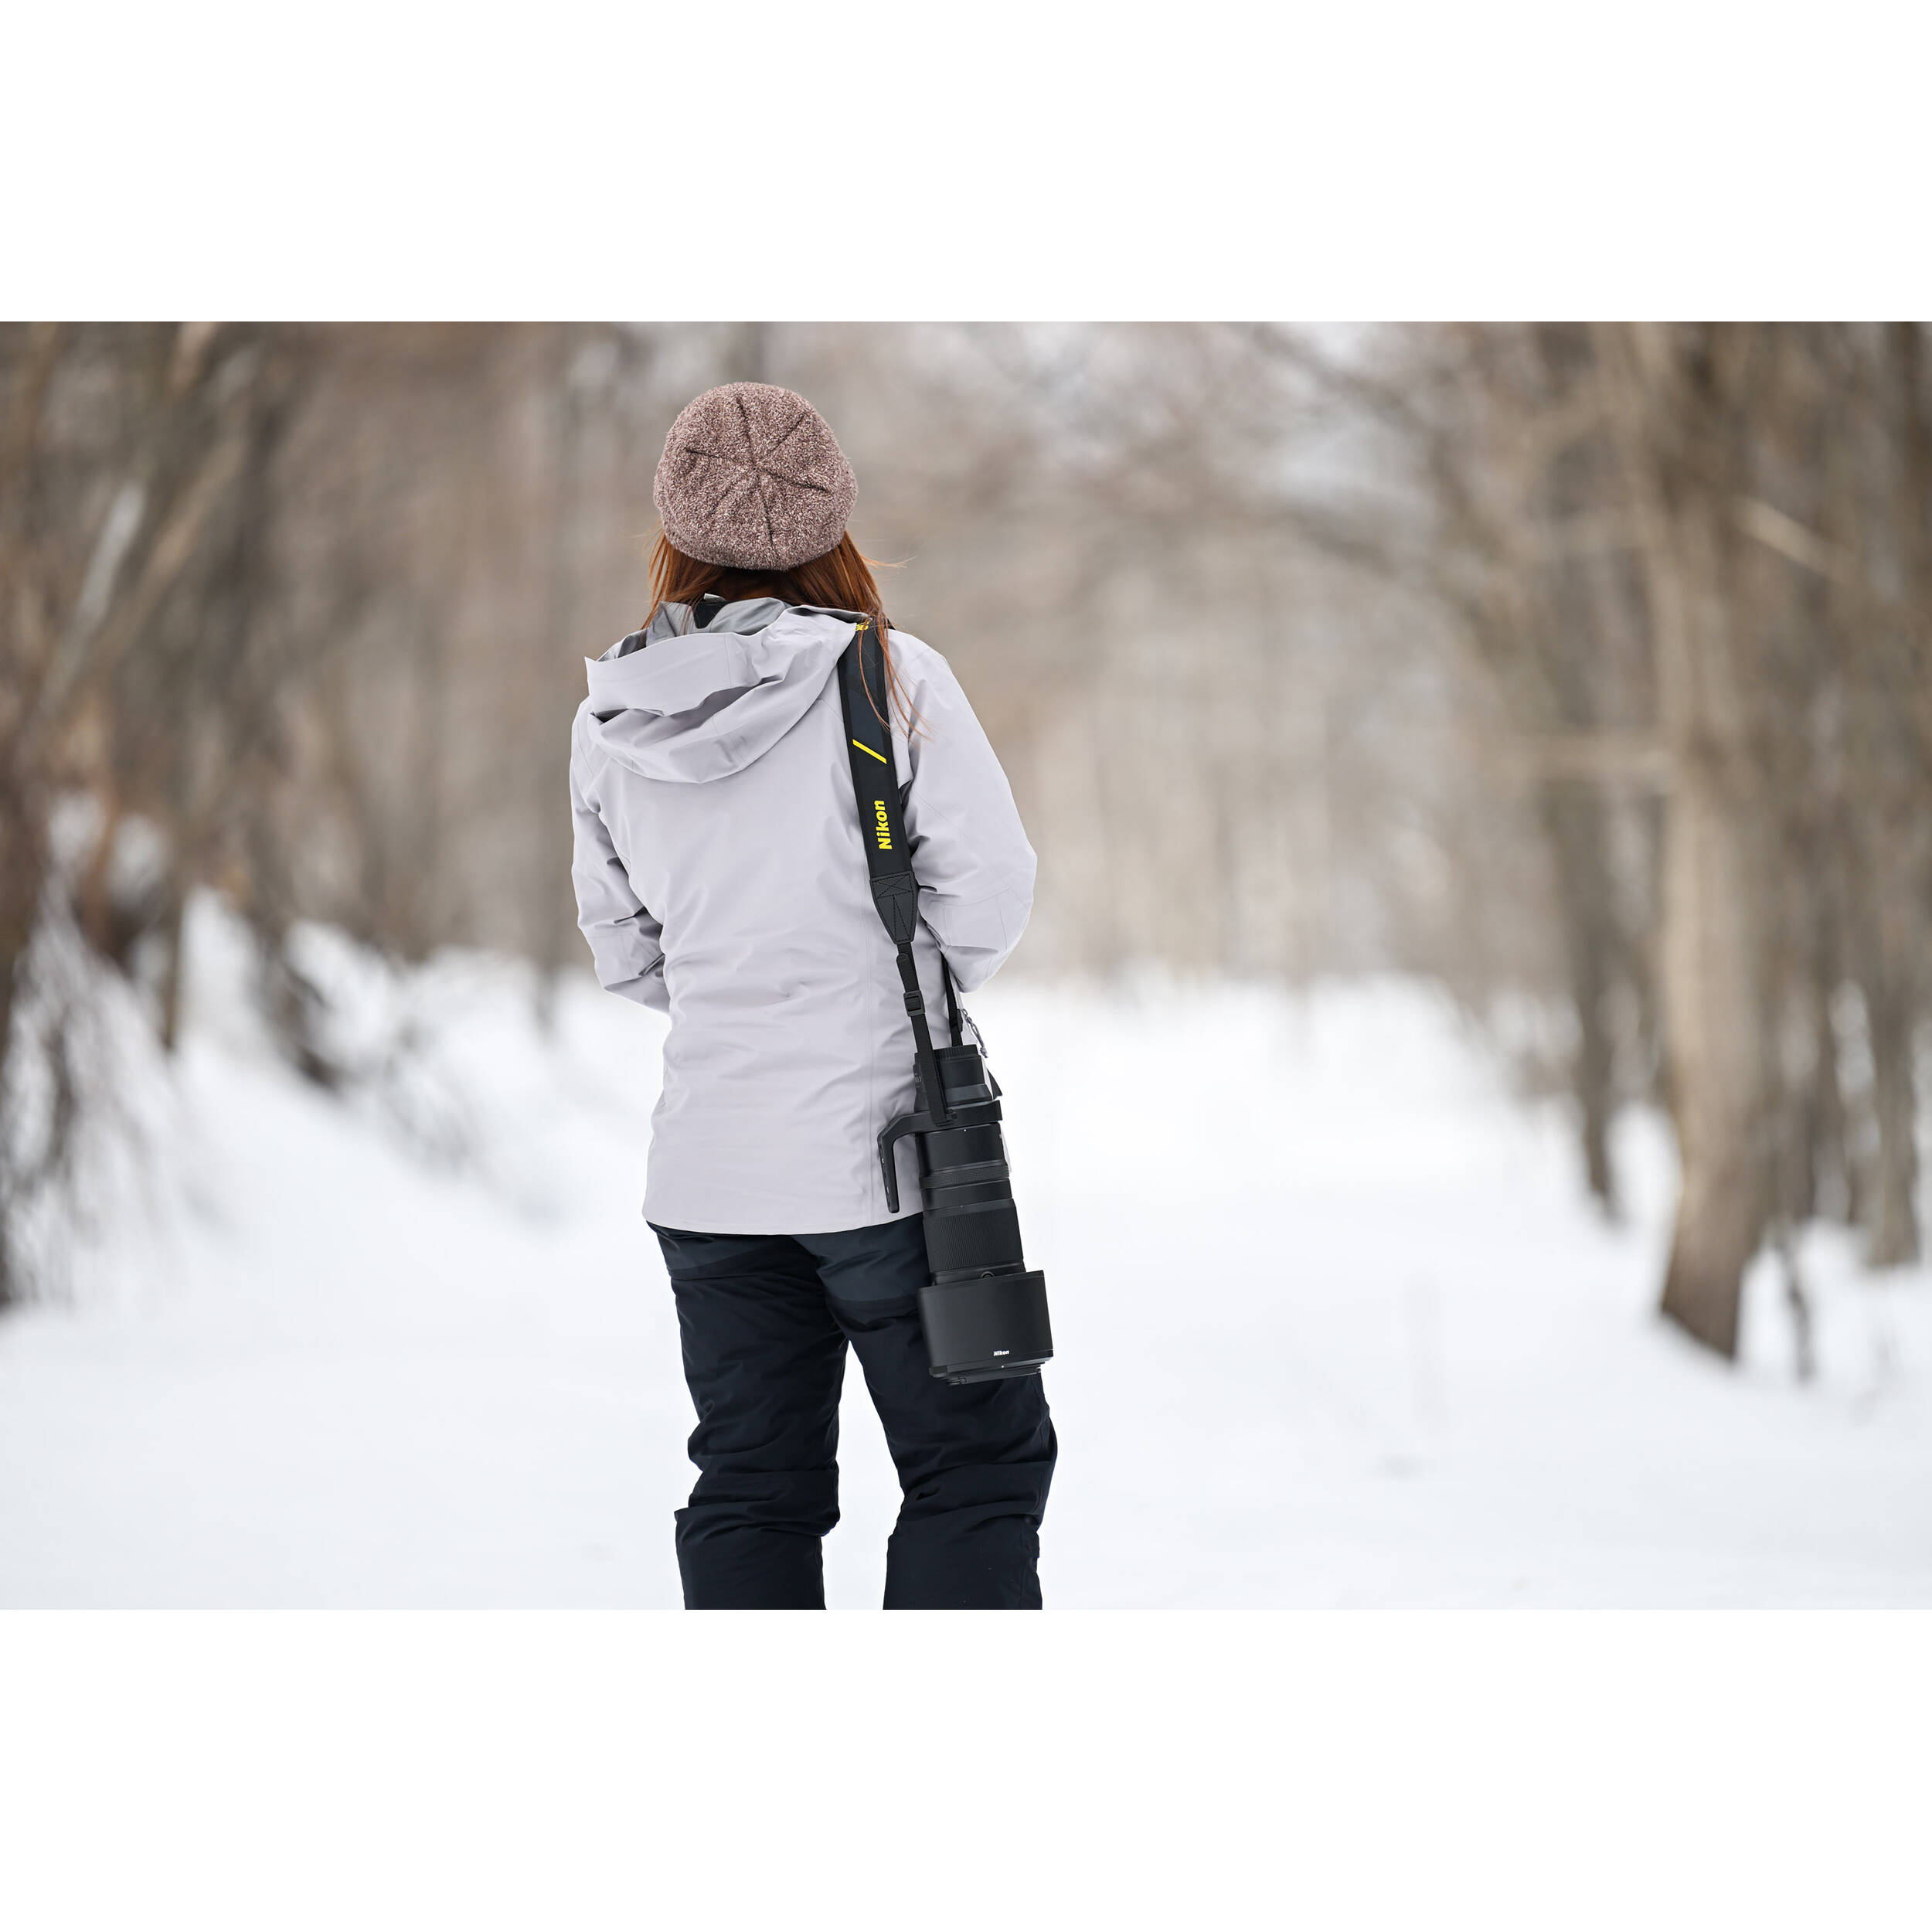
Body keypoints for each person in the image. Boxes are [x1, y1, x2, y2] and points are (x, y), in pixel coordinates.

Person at [569, 382, 1056, 1610]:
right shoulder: (890, 677)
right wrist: (888, 985)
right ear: (829, 520)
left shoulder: (611, 714)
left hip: (709, 1177)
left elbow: (623, 950)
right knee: (974, 1471)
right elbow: (990, 890)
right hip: (892, 1168)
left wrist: (734, 996)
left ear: (675, 528)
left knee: (751, 1485)